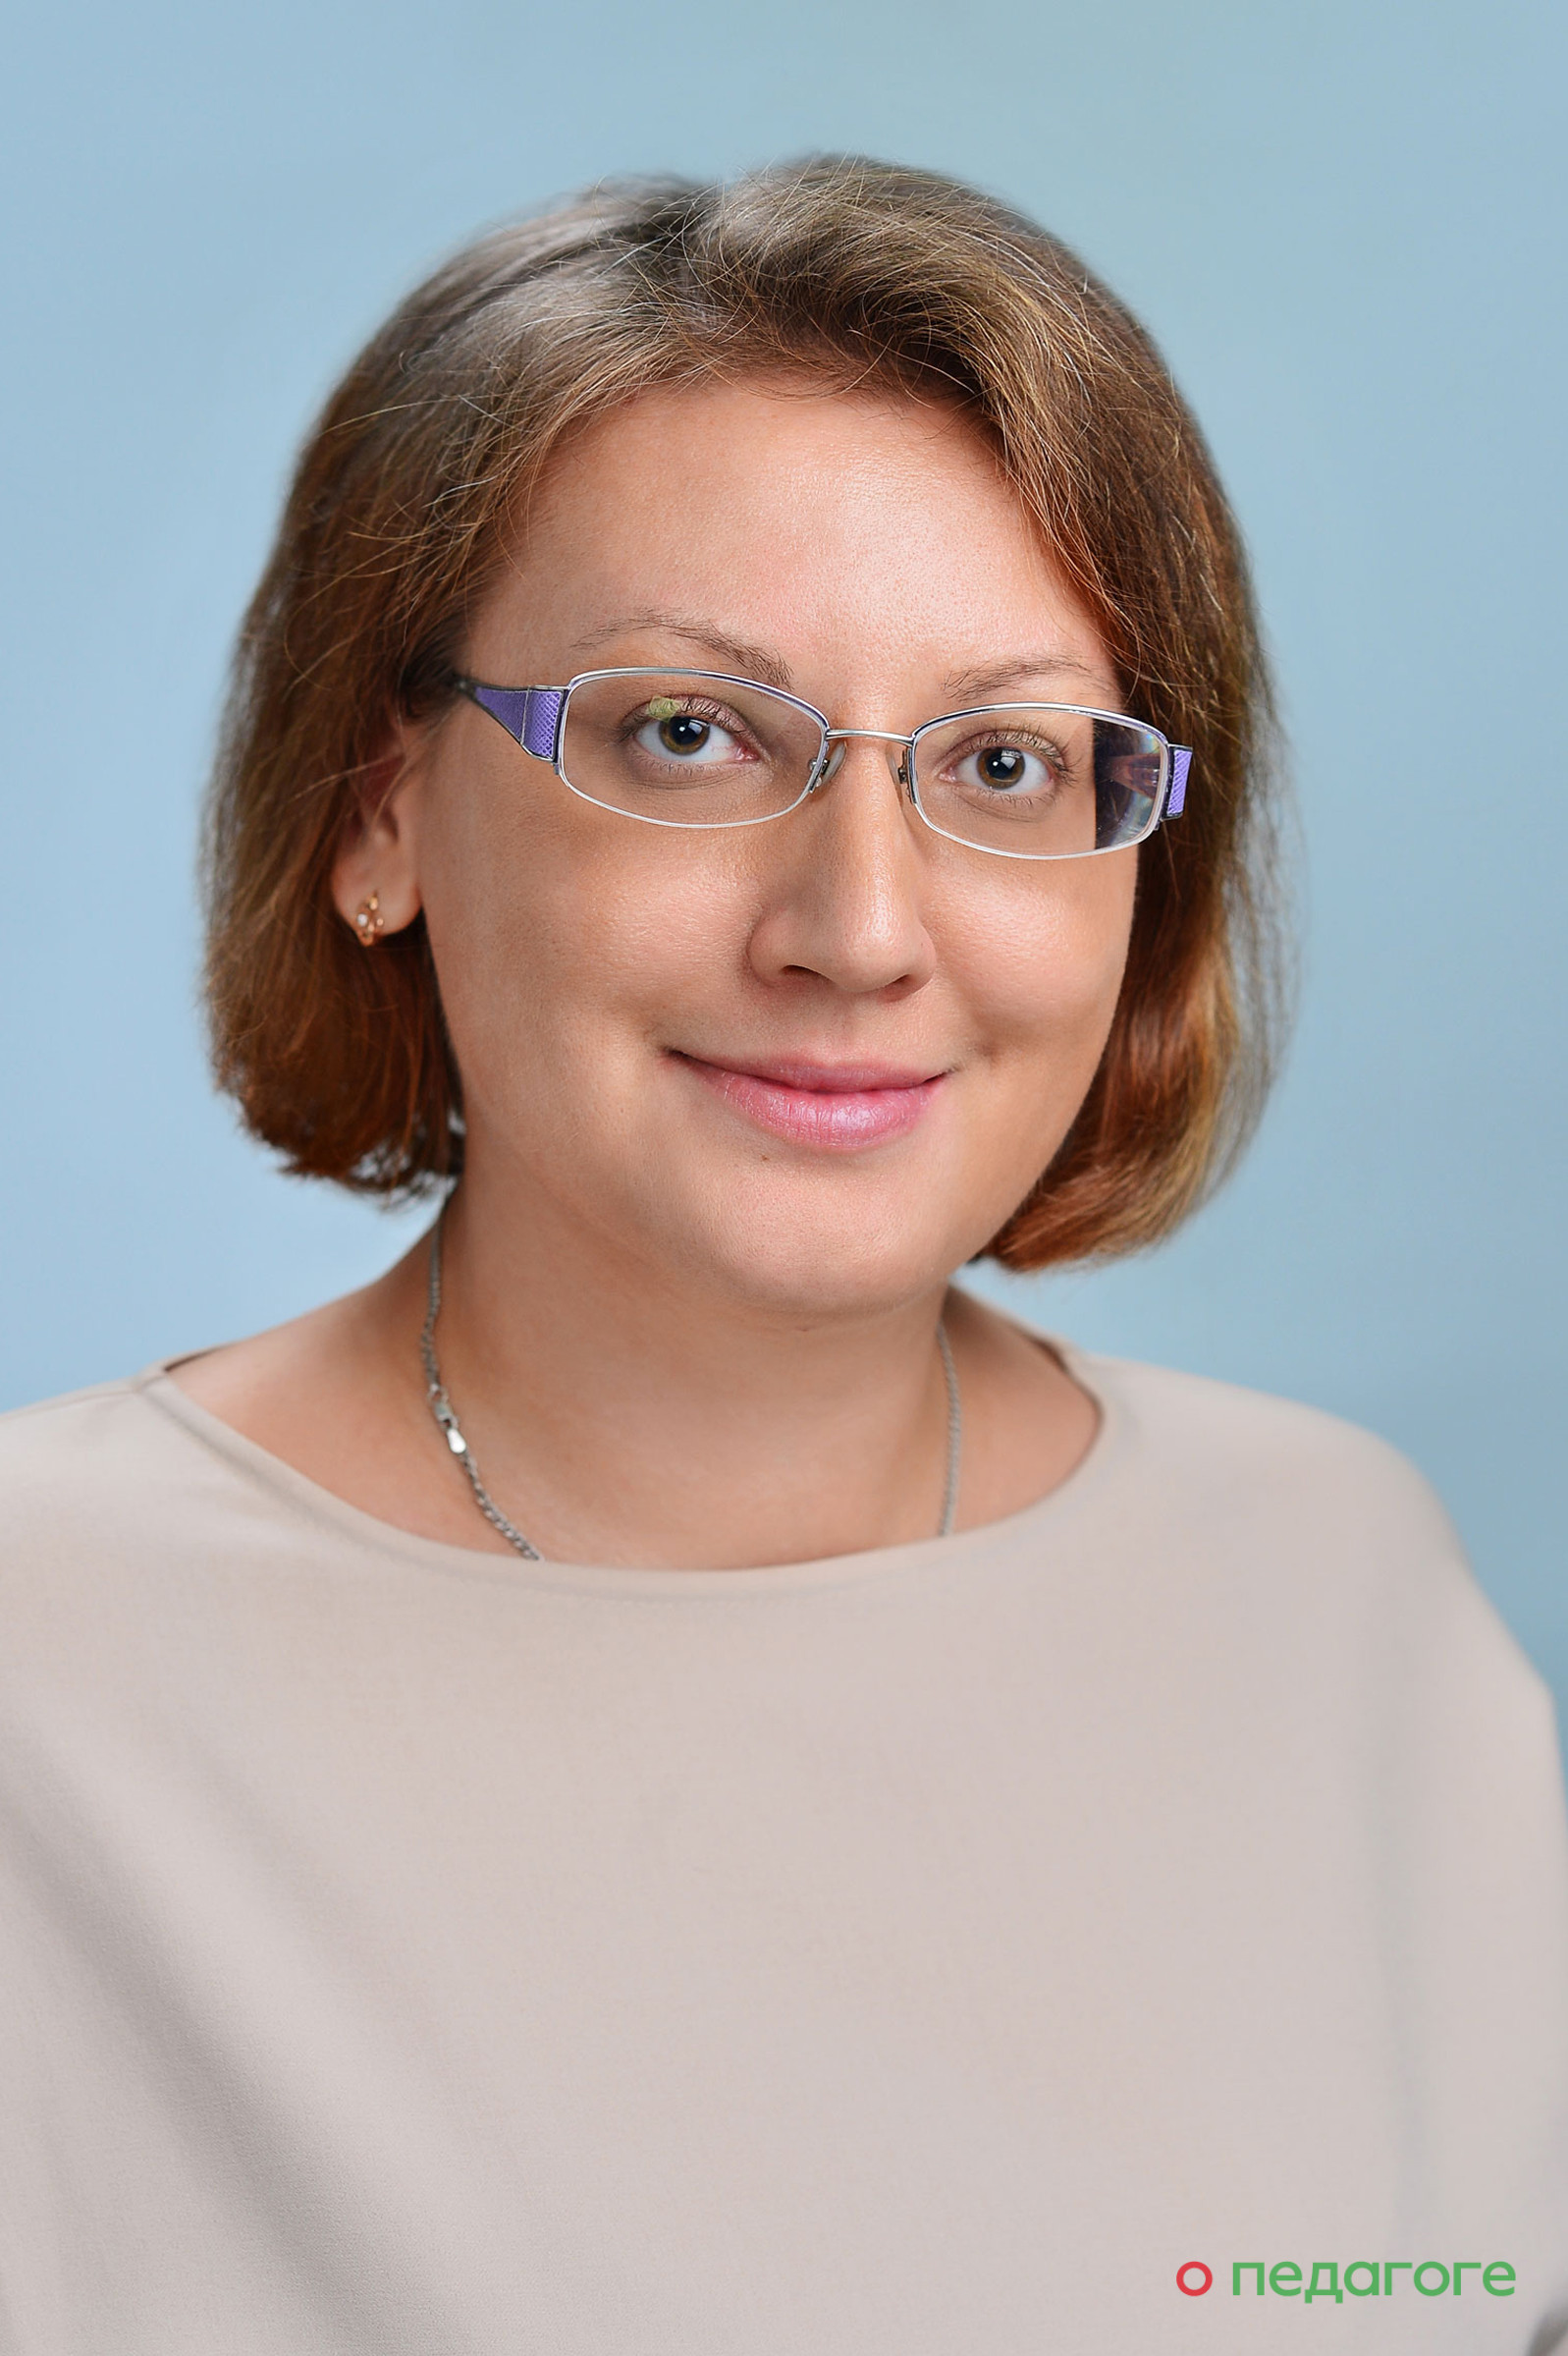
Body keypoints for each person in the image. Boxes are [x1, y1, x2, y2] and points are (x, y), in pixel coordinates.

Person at [1, 159, 1563, 2355]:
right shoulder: (45, 1663)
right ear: (378, 809)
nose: (858, 929)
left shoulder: (1336, 1585)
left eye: (1005, 761)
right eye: (686, 734)